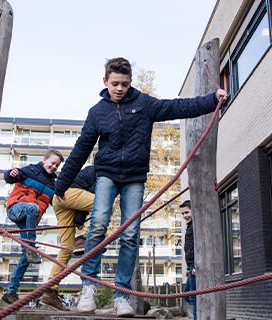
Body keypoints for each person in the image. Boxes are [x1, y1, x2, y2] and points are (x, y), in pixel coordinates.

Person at [54, 57, 228, 317]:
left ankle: (121, 294)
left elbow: (175, 107)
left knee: (130, 232)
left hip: (135, 177)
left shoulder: (143, 103)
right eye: (114, 84)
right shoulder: (97, 112)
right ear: (105, 82)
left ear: (130, 82)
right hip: (106, 175)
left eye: (124, 84)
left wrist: (212, 99)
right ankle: (88, 286)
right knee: (99, 221)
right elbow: (81, 150)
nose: (119, 88)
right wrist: (60, 186)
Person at [1, 149, 64, 304]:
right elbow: (9, 177)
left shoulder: (52, 185)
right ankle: (31, 247)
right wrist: (11, 174)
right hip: (16, 208)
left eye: (57, 165)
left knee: (26, 257)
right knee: (33, 207)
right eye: (52, 163)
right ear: (44, 160)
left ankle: (11, 291)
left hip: (30, 219)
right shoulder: (31, 170)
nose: (54, 167)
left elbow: (58, 206)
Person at [39, 165, 96, 311]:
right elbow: (93, 193)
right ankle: (83, 238)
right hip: (68, 195)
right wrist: (79, 220)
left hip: (58, 200)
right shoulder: (103, 172)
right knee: (104, 204)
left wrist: (78, 219)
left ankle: (50, 292)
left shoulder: (89, 170)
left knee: (66, 249)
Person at [181, 200, 197, 320]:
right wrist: (188, 267)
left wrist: (196, 265)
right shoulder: (189, 226)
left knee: (193, 297)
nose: (185, 216)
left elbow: (199, 245)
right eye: (183, 214)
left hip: (195, 266)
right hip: (191, 266)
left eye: (187, 212)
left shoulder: (195, 225)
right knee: (187, 295)